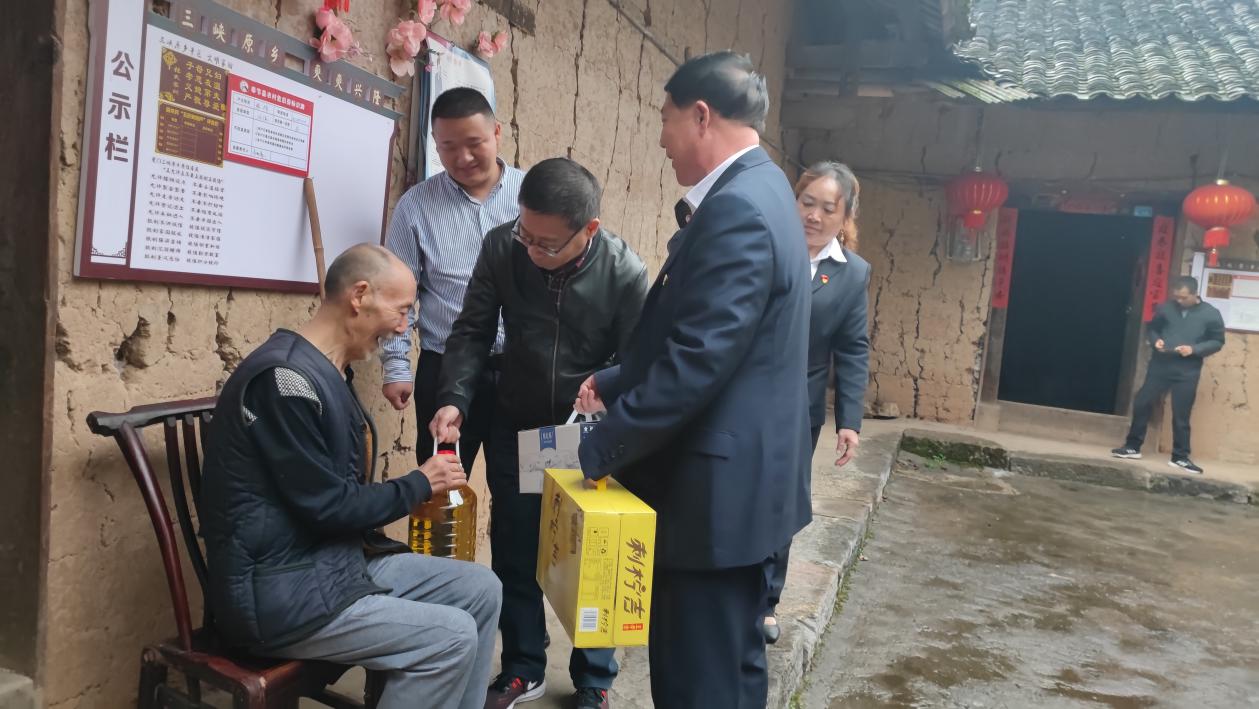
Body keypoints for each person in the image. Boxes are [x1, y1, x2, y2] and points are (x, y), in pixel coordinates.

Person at [573, 51, 812, 709]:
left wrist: (600, 446)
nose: (661, 138)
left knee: (697, 682)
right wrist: (617, 380)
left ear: (701, 116)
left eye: (665, 118)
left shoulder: (738, 209)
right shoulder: (764, 189)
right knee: (729, 673)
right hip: (740, 493)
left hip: (715, 502)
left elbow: (698, 360)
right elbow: (718, 338)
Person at [198, 244, 502, 709]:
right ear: (359, 296)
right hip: (281, 592)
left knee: (482, 589)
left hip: (333, 564)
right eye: (402, 310)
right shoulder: (284, 381)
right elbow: (329, 507)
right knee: (450, 637)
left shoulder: (324, 372)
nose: (403, 327)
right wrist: (420, 483)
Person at [430, 158, 649, 709]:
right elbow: (472, 331)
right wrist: (455, 398)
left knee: (593, 556)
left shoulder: (625, 272)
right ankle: (523, 664)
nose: (530, 249)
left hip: (589, 433)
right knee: (515, 546)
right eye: (525, 233)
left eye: (546, 244)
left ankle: (594, 678)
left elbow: (640, 361)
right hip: (520, 422)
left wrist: (607, 390)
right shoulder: (502, 247)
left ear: (588, 230)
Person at [380, 87, 525, 473]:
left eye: (475, 143)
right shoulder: (416, 207)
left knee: (521, 491)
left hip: (523, 372)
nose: (463, 158)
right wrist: (396, 366)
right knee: (439, 487)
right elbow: (398, 294)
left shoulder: (531, 197)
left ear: (497, 132)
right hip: (445, 370)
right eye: (448, 147)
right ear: (435, 143)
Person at [762, 161, 871, 644]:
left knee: (781, 500)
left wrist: (849, 420)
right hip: (743, 396)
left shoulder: (851, 275)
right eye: (807, 202)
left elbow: (852, 348)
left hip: (799, 408)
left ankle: (766, 601)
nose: (814, 215)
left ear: (845, 217)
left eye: (829, 208)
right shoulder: (766, 246)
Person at [1111, 275, 1225, 474]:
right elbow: (1153, 328)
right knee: (1142, 402)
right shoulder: (1165, 308)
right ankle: (1133, 446)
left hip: (1187, 369)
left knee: (1181, 414)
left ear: (1195, 294)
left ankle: (1180, 456)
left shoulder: (1211, 314)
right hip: (1161, 365)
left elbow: (1217, 341)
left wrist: (1194, 349)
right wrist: (1156, 341)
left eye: (1183, 298)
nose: (1179, 301)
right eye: (1176, 297)